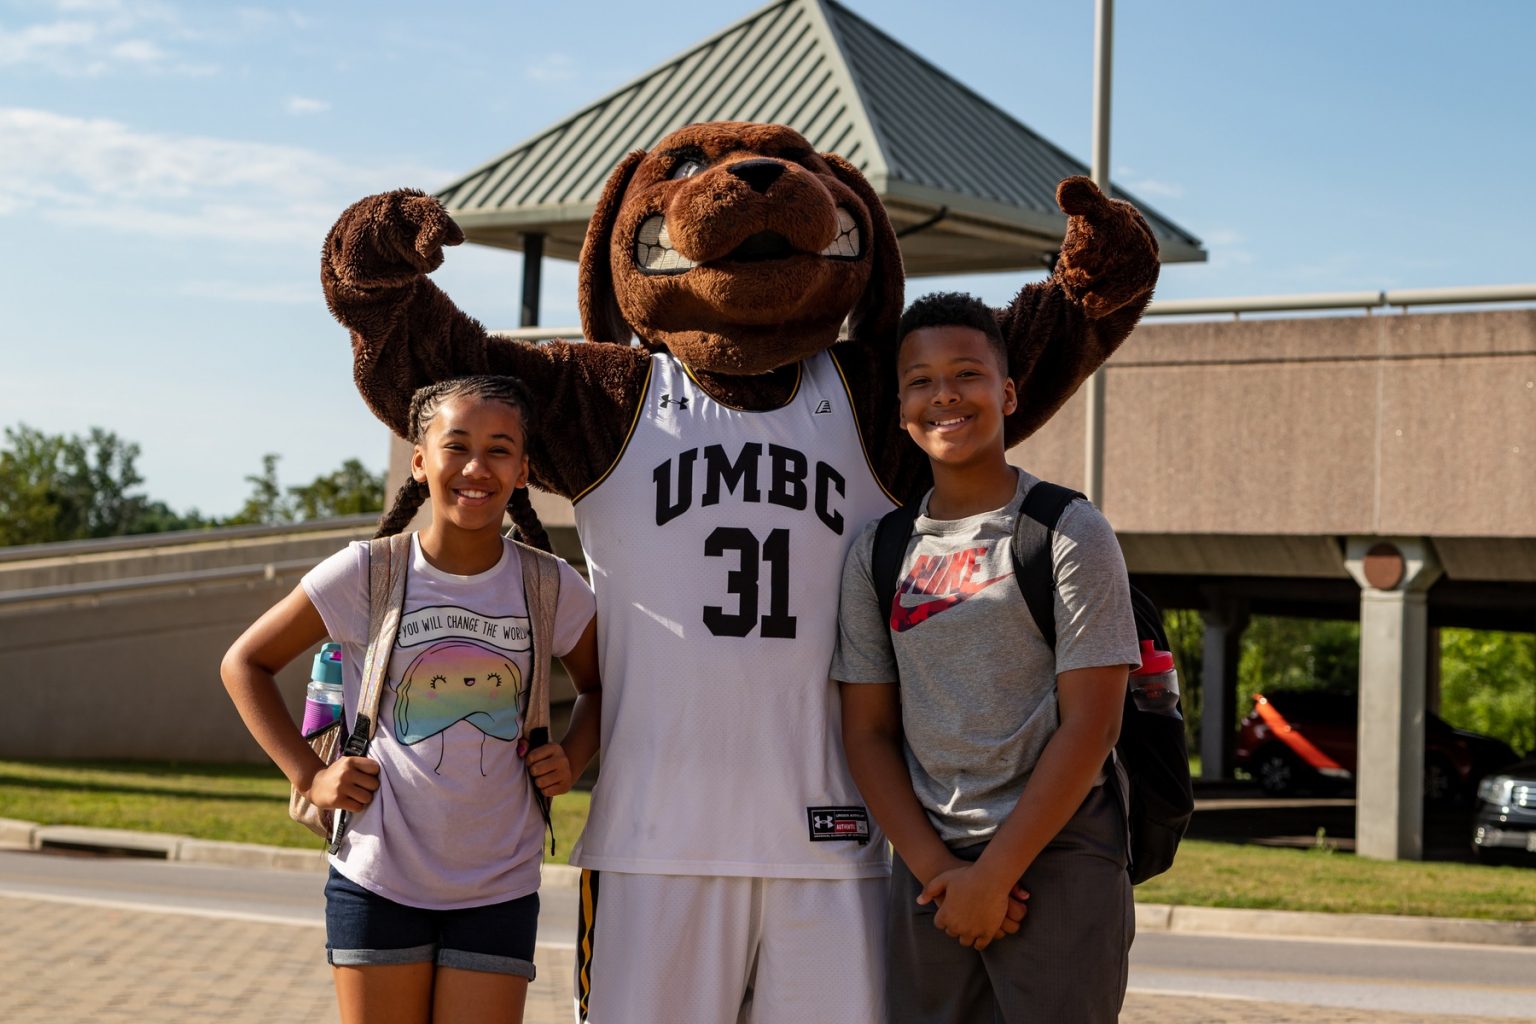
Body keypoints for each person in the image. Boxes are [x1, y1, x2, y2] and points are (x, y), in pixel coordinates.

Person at [221, 375, 601, 1024]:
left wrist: (573, 753)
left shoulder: (550, 584)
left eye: (499, 449)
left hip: (500, 883)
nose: (476, 467)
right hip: (376, 874)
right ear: (421, 462)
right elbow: (245, 663)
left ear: (523, 470)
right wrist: (310, 777)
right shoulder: (368, 571)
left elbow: (602, 684)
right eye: (456, 446)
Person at [831, 292, 1141, 1023]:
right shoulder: (875, 552)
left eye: (967, 373)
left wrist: (995, 876)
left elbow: (1092, 727)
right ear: (900, 405)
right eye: (920, 380)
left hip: (1058, 859)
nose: (944, 394)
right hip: (927, 867)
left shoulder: (1067, 531)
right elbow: (867, 732)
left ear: (1005, 393)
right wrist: (943, 873)